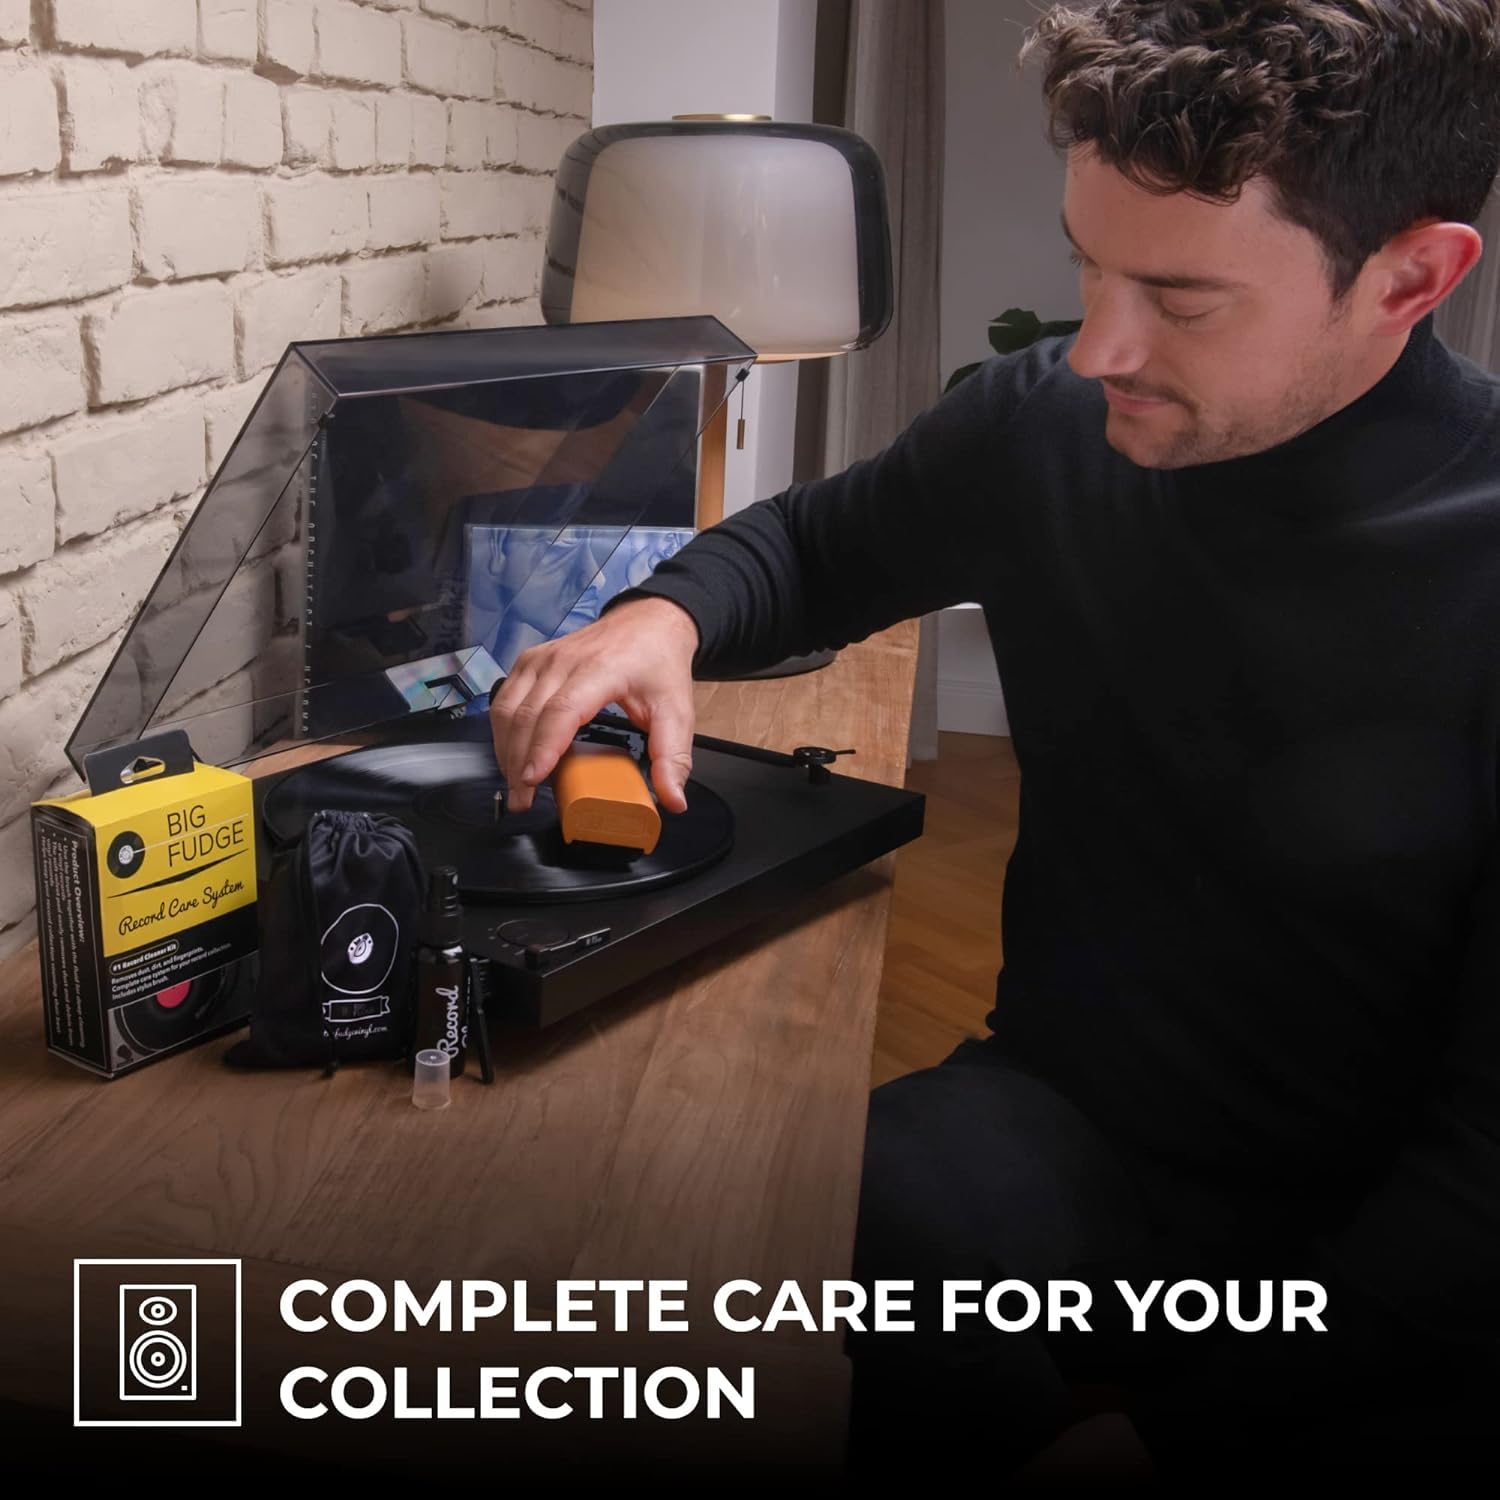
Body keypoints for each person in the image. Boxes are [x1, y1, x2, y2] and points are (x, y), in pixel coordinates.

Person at [489, 0, 1500, 1480]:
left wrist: (1185, 1431)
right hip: (1063, 1123)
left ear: (1412, 276)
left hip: (1395, 1246)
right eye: (1091, 266)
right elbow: (812, 548)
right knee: (744, 1255)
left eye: (1182, 299)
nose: (1099, 348)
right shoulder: (1048, 428)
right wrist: (663, 617)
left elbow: (1485, 1176)